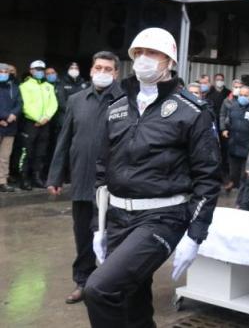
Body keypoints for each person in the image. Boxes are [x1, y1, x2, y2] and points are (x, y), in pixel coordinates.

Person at [83, 28, 221, 327]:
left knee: (99, 289)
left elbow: (208, 179)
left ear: (169, 61)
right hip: (118, 216)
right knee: (132, 299)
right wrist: (99, 225)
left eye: (153, 53)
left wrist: (195, 235)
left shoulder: (192, 111)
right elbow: (102, 172)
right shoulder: (117, 107)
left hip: (162, 217)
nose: (144, 59)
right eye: (139, 53)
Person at [46, 52, 124, 304]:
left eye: (108, 69)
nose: (102, 72)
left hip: (113, 184)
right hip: (81, 179)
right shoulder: (76, 100)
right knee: (82, 234)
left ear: (116, 73)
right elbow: (64, 139)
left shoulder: (125, 101)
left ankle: (111, 284)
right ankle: (83, 281)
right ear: (91, 70)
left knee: (111, 235)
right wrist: (55, 176)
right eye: (98, 67)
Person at [17, 60, 58, 190]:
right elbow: (25, 105)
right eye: (37, 69)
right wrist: (38, 118)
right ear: (31, 70)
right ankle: (24, 178)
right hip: (31, 123)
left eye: (42, 69)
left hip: (45, 123)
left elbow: (54, 104)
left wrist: (46, 117)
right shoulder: (24, 86)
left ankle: (37, 177)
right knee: (27, 151)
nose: (40, 72)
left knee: (41, 152)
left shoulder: (49, 86)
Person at [220, 85, 249, 210]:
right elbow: (227, 120)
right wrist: (225, 129)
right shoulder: (234, 106)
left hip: (248, 149)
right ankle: (240, 201)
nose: (243, 97)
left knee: (246, 178)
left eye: (246, 95)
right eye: (241, 94)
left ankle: (243, 204)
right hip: (234, 148)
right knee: (234, 176)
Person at [0, 63, 21, 192]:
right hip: (2, 122)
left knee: (5, 156)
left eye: (6, 71)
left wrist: (13, 114)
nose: (4, 73)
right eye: (1, 71)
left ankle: (2, 181)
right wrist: (3, 118)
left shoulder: (14, 87)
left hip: (10, 127)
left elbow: (19, 103)